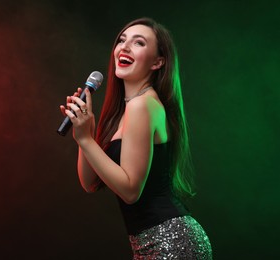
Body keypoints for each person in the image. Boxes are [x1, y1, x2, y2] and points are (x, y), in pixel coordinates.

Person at [60, 17, 212, 259]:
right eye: (121, 40)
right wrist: (86, 133)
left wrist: (88, 140)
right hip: (148, 244)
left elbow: (130, 191)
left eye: (138, 43)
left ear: (157, 62)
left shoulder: (143, 105)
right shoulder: (126, 111)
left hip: (171, 242)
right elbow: (89, 183)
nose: (125, 47)